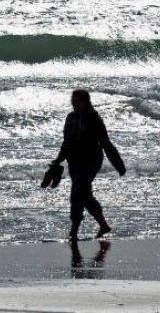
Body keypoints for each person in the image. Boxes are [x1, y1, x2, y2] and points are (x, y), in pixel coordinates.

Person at [50, 89, 126, 241]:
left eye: (77, 100)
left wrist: (118, 164)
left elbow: (106, 144)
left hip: (91, 161)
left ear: (85, 102)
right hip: (75, 162)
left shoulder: (94, 119)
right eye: (73, 100)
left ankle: (74, 231)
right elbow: (67, 143)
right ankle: (104, 225)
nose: (74, 103)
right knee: (85, 195)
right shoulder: (70, 118)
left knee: (77, 193)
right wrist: (58, 160)